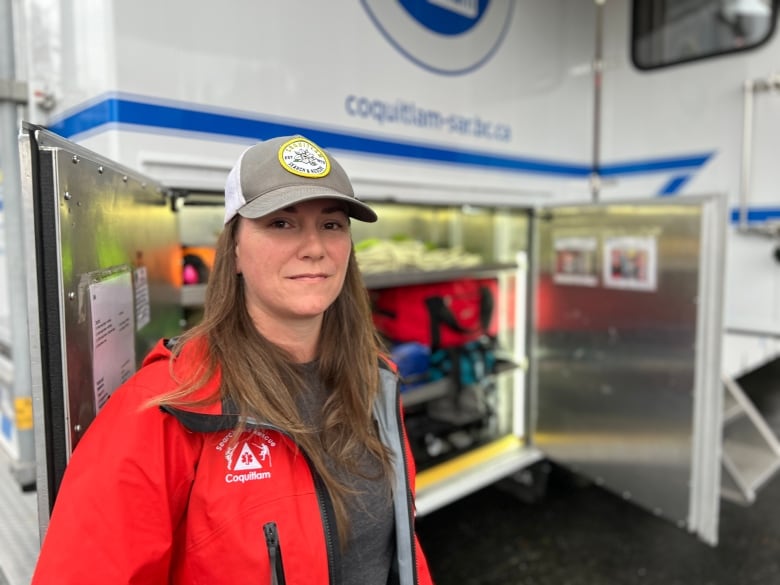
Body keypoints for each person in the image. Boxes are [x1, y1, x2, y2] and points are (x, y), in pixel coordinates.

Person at [31, 135, 435, 585]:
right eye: (281, 223)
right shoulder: (163, 410)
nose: (314, 247)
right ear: (236, 250)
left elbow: (399, 548)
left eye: (332, 225)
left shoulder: (375, 379)